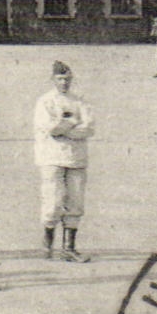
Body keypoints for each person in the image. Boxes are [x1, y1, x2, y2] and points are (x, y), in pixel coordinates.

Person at [33, 60, 93, 262]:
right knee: (52, 202)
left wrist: (65, 128)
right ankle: (47, 245)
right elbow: (51, 128)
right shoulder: (45, 102)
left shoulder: (79, 100)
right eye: (60, 78)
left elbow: (89, 128)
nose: (64, 82)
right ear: (53, 79)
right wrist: (73, 124)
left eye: (67, 79)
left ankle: (69, 248)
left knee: (75, 203)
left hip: (76, 158)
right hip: (51, 158)